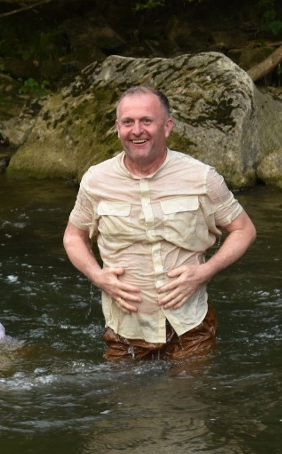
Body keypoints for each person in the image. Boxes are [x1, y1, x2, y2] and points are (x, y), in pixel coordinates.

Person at [63, 85, 256, 360]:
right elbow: (73, 237)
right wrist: (98, 277)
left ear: (167, 127)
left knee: (187, 402)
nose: (137, 130)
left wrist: (206, 272)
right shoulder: (96, 181)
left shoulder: (201, 177)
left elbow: (244, 229)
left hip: (190, 327)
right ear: (117, 128)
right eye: (128, 122)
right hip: (124, 332)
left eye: (146, 121)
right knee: (127, 403)